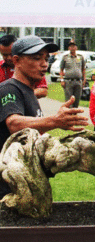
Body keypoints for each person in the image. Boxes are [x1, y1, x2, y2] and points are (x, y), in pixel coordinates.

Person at [0, 35, 89, 198]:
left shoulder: (28, 91)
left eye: (46, 58)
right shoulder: (9, 89)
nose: (44, 64)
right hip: (9, 186)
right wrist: (55, 120)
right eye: (36, 58)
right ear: (17, 60)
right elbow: (13, 123)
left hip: (27, 181)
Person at [0, 34, 49, 98]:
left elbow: (43, 90)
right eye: (5, 55)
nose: (9, 58)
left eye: (11, 54)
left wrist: (17, 95)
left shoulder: (30, 68)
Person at [60, 40, 86, 108]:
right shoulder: (65, 57)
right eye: (71, 46)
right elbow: (61, 69)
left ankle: (74, 116)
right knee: (69, 101)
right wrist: (62, 80)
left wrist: (84, 79)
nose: (72, 48)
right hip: (68, 82)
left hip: (78, 81)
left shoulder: (80, 57)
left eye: (73, 46)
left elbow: (83, 69)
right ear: (69, 48)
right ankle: (69, 117)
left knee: (76, 101)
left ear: (76, 47)